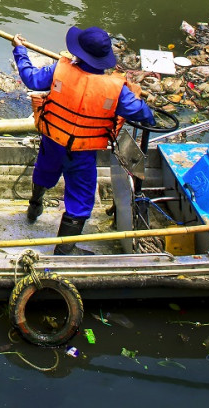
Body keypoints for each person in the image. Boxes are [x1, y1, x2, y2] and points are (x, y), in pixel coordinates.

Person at [12, 26, 154, 253]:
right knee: (80, 198)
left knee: (44, 172)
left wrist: (20, 51)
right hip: (82, 150)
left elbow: (31, 79)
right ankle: (64, 250)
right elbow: (144, 115)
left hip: (53, 140)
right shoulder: (116, 89)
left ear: (78, 53)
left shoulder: (59, 70)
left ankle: (34, 207)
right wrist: (135, 94)